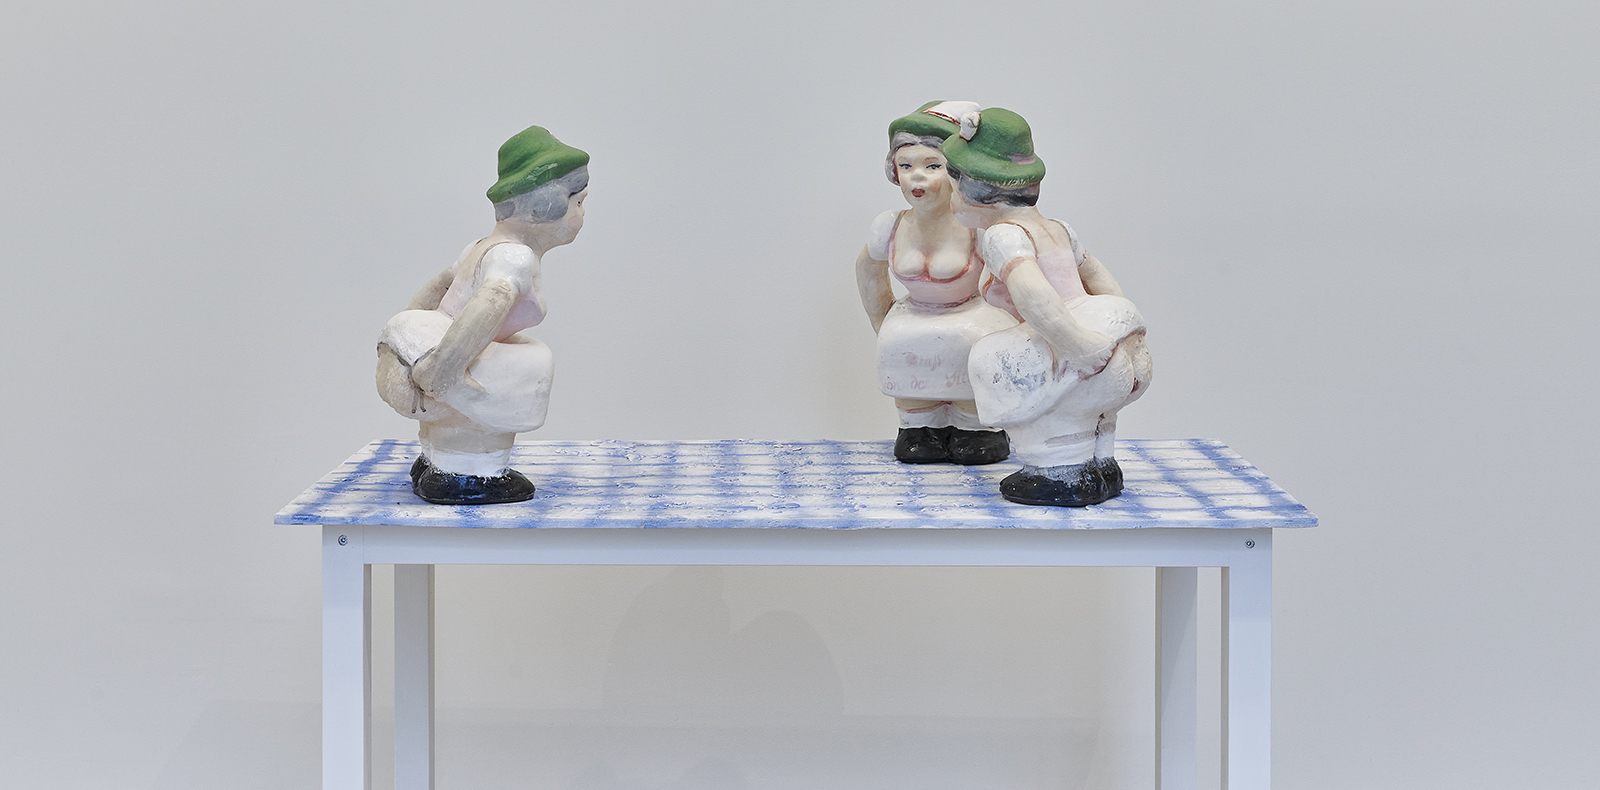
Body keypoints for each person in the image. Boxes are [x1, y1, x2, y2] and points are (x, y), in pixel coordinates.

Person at [944, 108, 1153, 506]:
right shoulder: (1058, 227)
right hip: (1112, 342)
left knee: (1000, 363)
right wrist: (1124, 323)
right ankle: (1102, 465)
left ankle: (1061, 472)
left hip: (1075, 344)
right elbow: (1098, 276)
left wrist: (1078, 343)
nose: (951, 201)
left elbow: (1033, 293)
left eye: (954, 189)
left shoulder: (1003, 236)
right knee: (1094, 408)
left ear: (978, 192)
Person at [375, 125, 589, 504]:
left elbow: (440, 286)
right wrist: (443, 371)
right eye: (578, 202)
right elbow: (490, 302)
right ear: (546, 205)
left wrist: (402, 330)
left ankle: (433, 457)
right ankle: (468, 471)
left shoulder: (481, 245)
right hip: (450, 358)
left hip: (435, 348)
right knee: (531, 361)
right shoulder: (515, 257)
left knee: (500, 367)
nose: (581, 214)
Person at [854, 101, 1019, 464]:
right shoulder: (890, 225)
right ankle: (920, 426)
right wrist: (883, 321)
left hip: (970, 323)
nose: (917, 177)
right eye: (906, 166)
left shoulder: (977, 227)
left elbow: (1013, 280)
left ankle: (974, 429)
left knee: (971, 410)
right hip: (911, 326)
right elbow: (868, 270)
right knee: (917, 427)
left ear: (956, 172)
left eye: (932, 166)